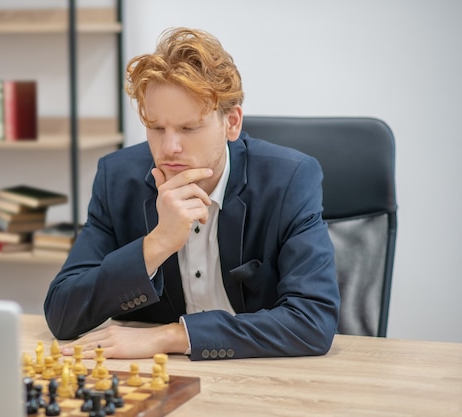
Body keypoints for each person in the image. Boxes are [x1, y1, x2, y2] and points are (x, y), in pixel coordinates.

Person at [44, 27, 340, 360]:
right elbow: (61, 314)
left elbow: (313, 321)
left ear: (232, 123)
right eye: (156, 128)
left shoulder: (289, 180)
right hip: (163, 380)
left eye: (189, 128)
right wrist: (156, 245)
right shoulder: (117, 178)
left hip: (261, 377)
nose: (169, 148)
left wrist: (172, 336)